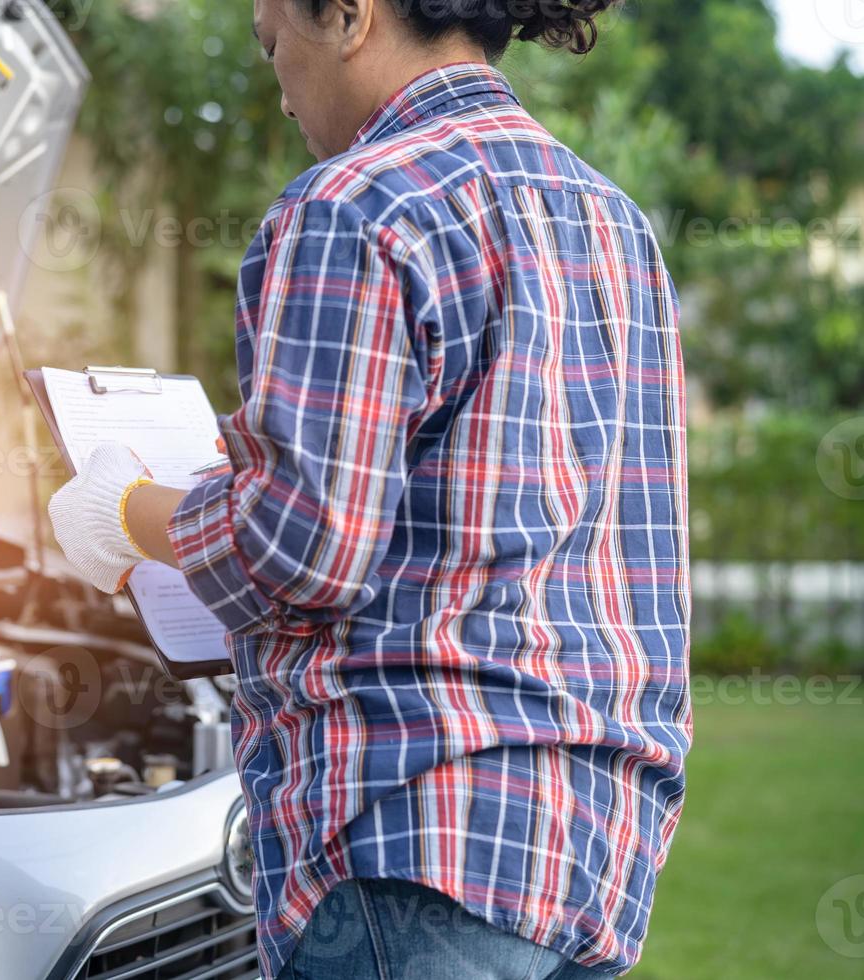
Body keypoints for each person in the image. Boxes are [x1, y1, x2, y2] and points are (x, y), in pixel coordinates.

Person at [47, 1, 691, 978]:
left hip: (412, 835)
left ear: (349, 15)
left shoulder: (350, 205)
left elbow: (306, 544)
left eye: (275, 46)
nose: (277, 89)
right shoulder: (613, 223)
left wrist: (125, 508)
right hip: (592, 845)